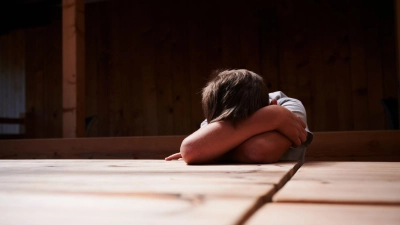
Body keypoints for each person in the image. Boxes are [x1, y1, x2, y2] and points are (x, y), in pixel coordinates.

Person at [165, 69, 313, 164]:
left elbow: (257, 151)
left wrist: (211, 150)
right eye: (225, 124)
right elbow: (191, 149)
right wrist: (272, 118)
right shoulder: (219, 115)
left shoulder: (287, 107)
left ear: (271, 103)